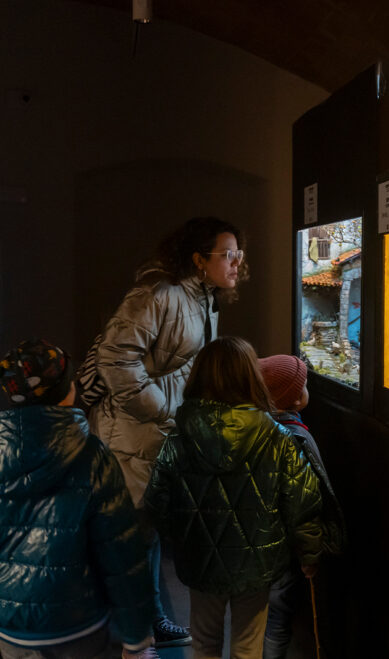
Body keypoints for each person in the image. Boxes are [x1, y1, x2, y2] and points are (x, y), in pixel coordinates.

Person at [87, 217, 247, 647]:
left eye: (239, 254)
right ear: (198, 260)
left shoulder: (203, 299)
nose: (236, 263)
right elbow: (116, 359)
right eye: (227, 254)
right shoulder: (159, 295)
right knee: (130, 539)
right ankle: (130, 636)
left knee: (147, 534)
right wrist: (164, 414)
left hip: (159, 438)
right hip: (133, 437)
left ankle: (150, 621)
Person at [143, 337, 324, 659]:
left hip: (200, 561)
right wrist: (309, 553)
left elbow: (157, 501)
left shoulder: (179, 436)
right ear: (250, 377)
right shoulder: (276, 436)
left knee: (205, 642)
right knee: (247, 645)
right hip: (257, 563)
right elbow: (302, 501)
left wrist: (182, 539)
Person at [0, 339, 157, 659]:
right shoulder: (92, 455)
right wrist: (137, 639)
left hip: (10, 627)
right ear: (65, 391)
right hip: (77, 626)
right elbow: (121, 554)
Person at [258, 355, 346, 659]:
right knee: (278, 617)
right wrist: (310, 556)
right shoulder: (292, 438)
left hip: (259, 544)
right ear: (294, 399)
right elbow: (302, 505)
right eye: (304, 385)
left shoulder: (259, 428)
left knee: (261, 615)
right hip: (285, 551)